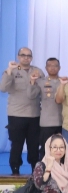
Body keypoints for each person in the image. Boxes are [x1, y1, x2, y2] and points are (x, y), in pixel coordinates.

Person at [1, 47, 44, 175]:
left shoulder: (38, 71)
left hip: (34, 114)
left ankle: (35, 170)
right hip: (16, 114)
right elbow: (3, 88)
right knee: (16, 144)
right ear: (18, 57)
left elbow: (43, 90)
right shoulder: (12, 70)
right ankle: (15, 170)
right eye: (23, 55)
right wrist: (9, 70)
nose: (26, 58)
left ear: (32, 58)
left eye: (29, 55)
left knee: (34, 145)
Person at [38, 58, 63, 158]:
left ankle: (60, 168)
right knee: (46, 149)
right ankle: (44, 167)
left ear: (59, 68)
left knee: (61, 150)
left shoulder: (64, 82)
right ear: (46, 68)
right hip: (46, 122)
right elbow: (32, 97)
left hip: (62, 122)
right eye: (50, 66)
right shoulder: (40, 82)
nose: (52, 68)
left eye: (55, 66)